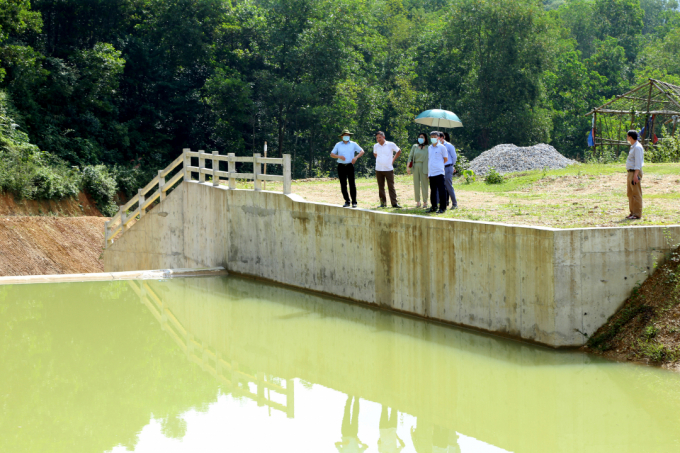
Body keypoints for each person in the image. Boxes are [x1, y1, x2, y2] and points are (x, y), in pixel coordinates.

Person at [330, 129, 364, 208]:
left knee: (352, 184)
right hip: (341, 166)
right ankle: (347, 201)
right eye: (345, 135)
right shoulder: (338, 144)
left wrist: (356, 157)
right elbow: (332, 154)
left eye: (348, 135)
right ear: (342, 137)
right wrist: (339, 156)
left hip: (350, 165)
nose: (346, 137)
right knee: (343, 184)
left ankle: (354, 202)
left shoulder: (353, 144)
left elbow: (362, 151)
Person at [373, 131, 402, 208]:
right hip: (378, 169)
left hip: (388, 169)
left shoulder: (390, 144)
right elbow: (375, 153)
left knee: (391, 186)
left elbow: (398, 151)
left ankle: (394, 203)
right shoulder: (376, 146)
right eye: (377, 138)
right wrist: (379, 160)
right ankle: (383, 203)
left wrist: (393, 160)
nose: (378, 139)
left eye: (380, 137)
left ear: (383, 137)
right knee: (381, 187)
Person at [407, 133, 430, 209]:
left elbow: (430, 159)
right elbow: (410, 157)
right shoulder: (415, 146)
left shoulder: (428, 148)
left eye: (422, 137)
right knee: (416, 184)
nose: (420, 138)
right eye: (419, 137)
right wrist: (408, 167)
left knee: (424, 184)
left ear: (425, 139)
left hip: (424, 167)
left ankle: (425, 201)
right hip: (416, 166)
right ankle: (418, 201)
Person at [625, 130, 644, 220]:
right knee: (630, 193)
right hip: (630, 172)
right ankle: (632, 212)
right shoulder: (633, 147)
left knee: (636, 193)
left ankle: (637, 214)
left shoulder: (637, 147)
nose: (627, 138)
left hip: (634, 172)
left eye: (627, 136)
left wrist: (636, 175)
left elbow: (638, 163)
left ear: (630, 137)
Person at [428, 131, 448, 213]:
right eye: (431, 137)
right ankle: (433, 206)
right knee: (433, 190)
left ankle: (442, 207)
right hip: (431, 172)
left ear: (438, 138)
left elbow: (445, 159)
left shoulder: (442, 147)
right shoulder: (429, 147)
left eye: (435, 137)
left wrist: (439, 165)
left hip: (439, 172)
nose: (433, 138)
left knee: (441, 190)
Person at [440, 132, 458, 209]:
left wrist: (451, 165)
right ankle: (442, 203)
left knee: (448, 186)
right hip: (440, 168)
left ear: (442, 137)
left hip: (448, 167)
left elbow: (454, 157)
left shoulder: (449, 146)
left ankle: (454, 204)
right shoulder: (437, 147)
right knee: (440, 186)